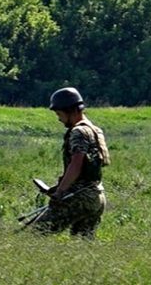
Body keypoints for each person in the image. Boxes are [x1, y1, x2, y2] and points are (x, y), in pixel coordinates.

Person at [32, 87, 110, 238]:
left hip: (79, 197)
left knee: (36, 234)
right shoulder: (95, 130)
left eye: (59, 113)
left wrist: (60, 192)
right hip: (97, 196)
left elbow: (77, 162)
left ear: (71, 111)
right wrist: (59, 187)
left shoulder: (78, 132)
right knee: (82, 245)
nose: (58, 118)